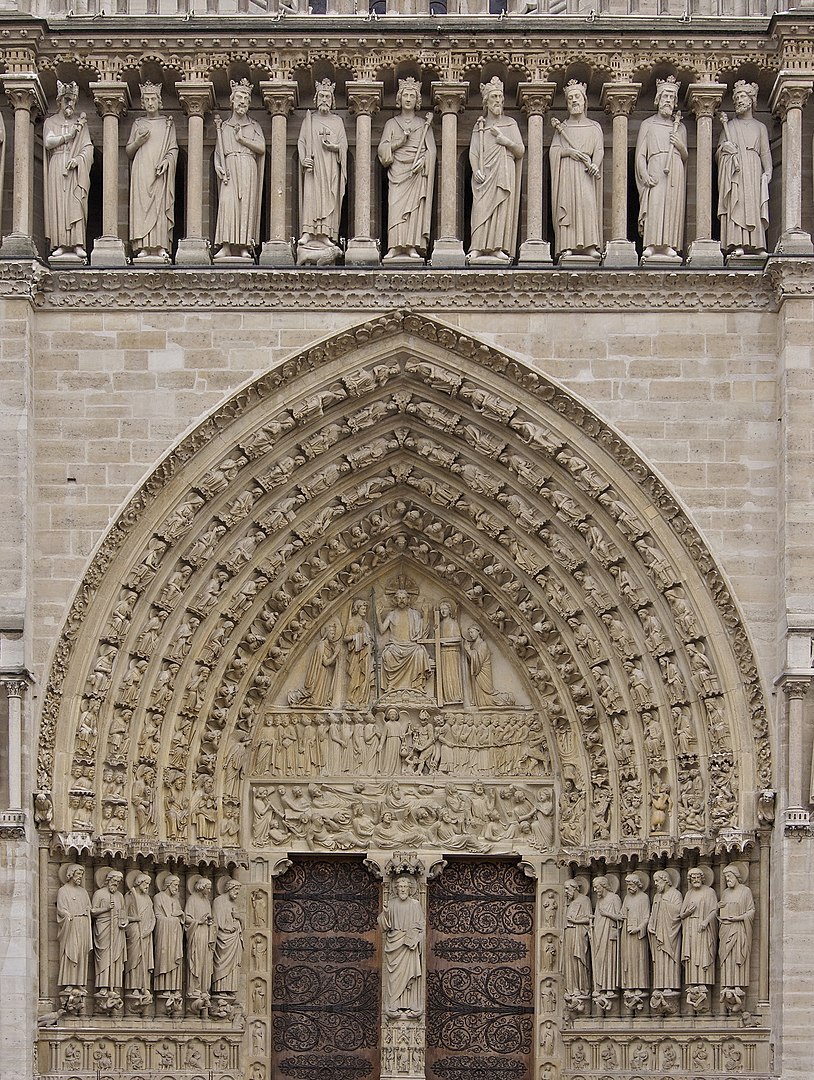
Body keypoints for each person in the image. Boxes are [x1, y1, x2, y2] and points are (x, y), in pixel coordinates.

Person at [378, 77, 436, 262]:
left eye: (412, 95)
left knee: (414, 209)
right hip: (398, 172)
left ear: (417, 99)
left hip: (416, 173)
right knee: (395, 208)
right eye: (405, 95)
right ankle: (394, 246)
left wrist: (424, 161)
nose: (408, 99)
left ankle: (411, 245)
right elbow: (382, 150)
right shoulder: (391, 124)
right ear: (399, 98)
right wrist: (399, 142)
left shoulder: (423, 125)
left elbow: (431, 151)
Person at [468, 77, 524, 262]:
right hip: (484, 173)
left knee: (501, 207)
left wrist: (505, 141)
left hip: (504, 170)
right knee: (480, 208)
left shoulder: (510, 123)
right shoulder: (480, 126)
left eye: (500, 97)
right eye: (494, 96)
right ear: (486, 101)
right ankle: (477, 247)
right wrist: (475, 169)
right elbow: (474, 152)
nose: (498, 100)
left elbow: (520, 151)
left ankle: (497, 247)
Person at [635, 76, 688, 259]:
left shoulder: (680, 127)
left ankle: (669, 244)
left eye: (672, 98)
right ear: (658, 99)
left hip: (675, 169)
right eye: (665, 96)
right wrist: (644, 174)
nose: (668, 100)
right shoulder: (648, 124)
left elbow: (685, 156)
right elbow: (640, 155)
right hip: (656, 167)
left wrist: (679, 145)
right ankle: (651, 244)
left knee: (672, 206)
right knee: (655, 204)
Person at [549, 80, 603, 258]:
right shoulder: (562, 128)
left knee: (587, 204)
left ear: (584, 101)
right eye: (570, 98)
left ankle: (590, 245)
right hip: (568, 171)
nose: (574, 100)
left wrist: (595, 164)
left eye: (577, 97)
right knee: (569, 207)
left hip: (585, 173)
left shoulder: (594, 127)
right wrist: (568, 152)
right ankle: (568, 245)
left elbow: (599, 150)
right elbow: (554, 151)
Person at [717, 81, 772, 255]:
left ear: (751, 100)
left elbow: (765, 152)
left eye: (743, 97)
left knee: (753, 204)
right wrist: (726, 149)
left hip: (754, 169)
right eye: (737, 98)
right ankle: (737, 242)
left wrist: (768, 171)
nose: (739, 101)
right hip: (736, 171)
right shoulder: (730, 126)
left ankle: (757, 245)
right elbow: (719, 153)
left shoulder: (760, 127)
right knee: (737, 201)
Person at [126, 81, 178, 262]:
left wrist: (166, 161)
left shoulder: (167, 124)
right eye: (146, 99)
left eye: (153, 99)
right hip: (142, 170)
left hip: (159, 172)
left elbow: (173, 149)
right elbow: (129, 151)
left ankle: (159, 245)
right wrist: (138, 142)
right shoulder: (138, 123)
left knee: (160, 205)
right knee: (142, 207)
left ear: (159, 101)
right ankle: (143, 246)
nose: (150, 103)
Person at [297, 79, 347, 265]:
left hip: (330, 166)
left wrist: (335, 147)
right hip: (314, 167)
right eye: (322, 96)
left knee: (328, 197)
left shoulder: (337, 121)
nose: (324, 99)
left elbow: (344, 145)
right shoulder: (309, 120)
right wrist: (304, 159)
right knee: (311, 196)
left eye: (327, 96)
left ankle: (325, 234)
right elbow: (301, 142)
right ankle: (308, 232)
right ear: (316, 98)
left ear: (332, 100)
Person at [214, 80, 265, 261]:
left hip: (247, 166)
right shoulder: (223, 127)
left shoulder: (254, 126)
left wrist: (242, 140)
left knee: (246, 206)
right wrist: (218, 167)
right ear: (232, 101)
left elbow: (261, 148)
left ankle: (244, 245)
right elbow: (218, 153)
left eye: (245, 98)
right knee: (227, 205)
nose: (242, 101)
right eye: (239, 97)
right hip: (229, 167)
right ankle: (226, 246)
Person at [43, 81, 93, 260]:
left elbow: (88, 148)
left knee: (75, 201)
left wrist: (78, 160)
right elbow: (48, 142)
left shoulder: (81, 125)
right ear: (59, 101)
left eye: (72, 100)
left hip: (74, 170)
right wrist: (68, 136)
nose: (69, 104)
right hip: (57, 165)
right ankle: (61, 244)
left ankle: (78, 243)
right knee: (59, 204)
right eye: (66, 100)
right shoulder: (50, 122)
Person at [378, 876, 424, 1018]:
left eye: (405, 887)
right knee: (394, 977)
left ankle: (410, 1005)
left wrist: (415, 937)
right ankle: (393, 1005)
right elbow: (384, 926)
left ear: (410, 889)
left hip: (409, 946)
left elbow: (421, 925)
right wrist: (386, 913)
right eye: (400, 887)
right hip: (394, 945)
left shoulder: (415, 904)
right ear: (396, 889)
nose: (403, 890)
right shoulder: (391, 904)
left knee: (409, 975)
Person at [377, 588, 431, 692]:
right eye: (399, 598)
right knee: (387, 654)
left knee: (420, 652)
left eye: (404, 598)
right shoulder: (392, 614)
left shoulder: (415, 614)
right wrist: (378, 615)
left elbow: (423, 631)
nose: (401, 600)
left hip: (411, 646)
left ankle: (417, 684)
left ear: (408, 599)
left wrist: (425, 614)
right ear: (395, 600)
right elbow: (382, 630)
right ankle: (391, 685)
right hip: (395, 646)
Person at [91, 869, 130, 1003]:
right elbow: (93, 911)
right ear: (108, 880)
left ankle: (115, 985)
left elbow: (123, 914)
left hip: (117, 931)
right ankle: (103, 986)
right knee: (104, 957)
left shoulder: (120, 896)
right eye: (114, 881)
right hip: (103, 929)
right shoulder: (99, 893)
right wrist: (106, 909)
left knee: (116, 958)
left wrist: (124, 922)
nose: (116, 884)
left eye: (118, 882)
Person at [718, 864, 755, 990]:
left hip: (739, 928)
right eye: (725, 877)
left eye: (729, 876)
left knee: (738, 954)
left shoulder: (745, 891)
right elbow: (721, 910)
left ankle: (738, 985)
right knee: (727, 957)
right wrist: (719, 907)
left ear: (736, 876)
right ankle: (727, 984)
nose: (727, 879)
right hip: (725, 928)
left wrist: (739, 918)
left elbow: (751, 911)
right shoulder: (725, 893)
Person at [56, 863, 92, 991]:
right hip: (71, 924)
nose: (80, 877)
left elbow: (89, 908)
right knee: (71, 951)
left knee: (82, 953)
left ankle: (80, 982)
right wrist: (66, 914)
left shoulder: (83, 892)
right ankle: (69, 982)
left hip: (83, 924)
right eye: (78, 874)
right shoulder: (63, 890)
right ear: (71, 874)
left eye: (82, 874)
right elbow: (60, 908)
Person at [680, 867, 717, 986]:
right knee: (692, 955)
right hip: (690, 926)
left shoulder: (709, 892)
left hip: (704, 927)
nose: (696, 880)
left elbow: (714, 910)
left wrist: (706, 921)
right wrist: (688, 913)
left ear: (702, 878)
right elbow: (681, 914)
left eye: (698, 877)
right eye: (693, 878)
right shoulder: (689, 893)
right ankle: (692, 982)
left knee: (703, 954)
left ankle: (703, 982)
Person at [647, 869, 682, 990]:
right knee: (659, 961)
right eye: (654, 881)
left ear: (665, 880)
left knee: (670, 959)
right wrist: (650, 924)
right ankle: (659, 986)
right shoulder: (657, 896)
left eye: (657, 881)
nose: (655, 884)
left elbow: (678, 912)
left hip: (670, 933)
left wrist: (664, 904)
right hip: (657, 933)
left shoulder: (675, 894)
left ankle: (671, 985)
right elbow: (653, 912)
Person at [124, 872, 155, 1004]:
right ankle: (133, 987)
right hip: (134, 931)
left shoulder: (148, 898)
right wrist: (134, 919)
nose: (147, 886)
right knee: (134, 959)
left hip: (146, 933)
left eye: (149, 884)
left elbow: (153, 917)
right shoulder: (130, 896)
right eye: (145, 883)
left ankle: (143, 985)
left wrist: (149, 929)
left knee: (145, 960)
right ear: (138, 883)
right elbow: (122, 916)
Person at [185, 876, 216, 1009]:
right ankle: (194, 988)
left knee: (205, 962)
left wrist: (209, 921)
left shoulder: (206, 901)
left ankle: (204, 989)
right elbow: (186, 918)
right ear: (201, 887)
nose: (209, 891)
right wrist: (199, 921)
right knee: (196, 961)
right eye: (207, 888)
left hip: (206, 934)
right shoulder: (192, 899)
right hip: (196, 934)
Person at [153, 873, 184, 999]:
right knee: (164, 957)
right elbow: (158, 916)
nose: (177, 888)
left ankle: (174, 987)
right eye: (175, 885)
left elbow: (181, 917)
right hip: (164, 934)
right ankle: (163, 988)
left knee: (174, 958)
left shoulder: (175, 900)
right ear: (168, 885)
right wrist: (173, 919)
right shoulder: (158, 897)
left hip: (175, 935)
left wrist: (178, 916)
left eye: (178, 885)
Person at [591, 876, 623, 997]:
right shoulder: (599, 900)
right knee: (599, 960)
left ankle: (610, 987)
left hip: (609, 933)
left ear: (603, 885)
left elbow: (620, 917)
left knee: (609, 959)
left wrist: (607, 914)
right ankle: (600, 986)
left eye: (596, 887)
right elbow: (597, 917)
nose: (595, 890)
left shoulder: (614, 898)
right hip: (598, 934)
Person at [212, 878, 244, 994]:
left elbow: (239, 922)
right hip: (223, 938)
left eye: (238, 890)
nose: (237, 892)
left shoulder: (234, 903)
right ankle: (220, 990)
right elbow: (217, 921)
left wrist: (239, 918)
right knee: (221, 962)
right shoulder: (218, 901)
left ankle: (230, 990)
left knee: (233, 966)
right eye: (236, 889)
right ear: (229, 888)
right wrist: (229, 927)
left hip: (234, 939)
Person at [620, 872, 650, 990]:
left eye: (631, 885)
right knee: (628, 959)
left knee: (639, 959)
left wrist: (638, 928)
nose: (629, 888)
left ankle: (640, 986)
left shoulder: (644, 897)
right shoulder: (627, 898)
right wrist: (622, 916)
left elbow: (647, 917)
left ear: (638, 884)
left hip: (638, 935)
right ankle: (629, 986)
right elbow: (622, 914)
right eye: (627, 885)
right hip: (627, 934)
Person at [562, 878, 592, 996]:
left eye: (567, 889)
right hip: (569, 933)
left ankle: (581, 988)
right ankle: (571, 987)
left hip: (579, 933)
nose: (565, 891)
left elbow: (589, 919)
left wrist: (576, 921)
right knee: (569, 961)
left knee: (578, 959)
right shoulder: (569, 903)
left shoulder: (585, 900)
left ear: (574, 888)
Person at [344, 599, 373, 705]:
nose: (365, 610)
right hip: (356, 654)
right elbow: (345, 638)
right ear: (357, 608)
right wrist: (357, 636)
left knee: (364, 677)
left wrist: (370, 641)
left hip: (366, 653)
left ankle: (361, 699)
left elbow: (370, 639)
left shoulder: (366, 624)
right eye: (363, 608)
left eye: (365, 609)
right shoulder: (352, 622)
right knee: (355, 676)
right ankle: (350, 699)